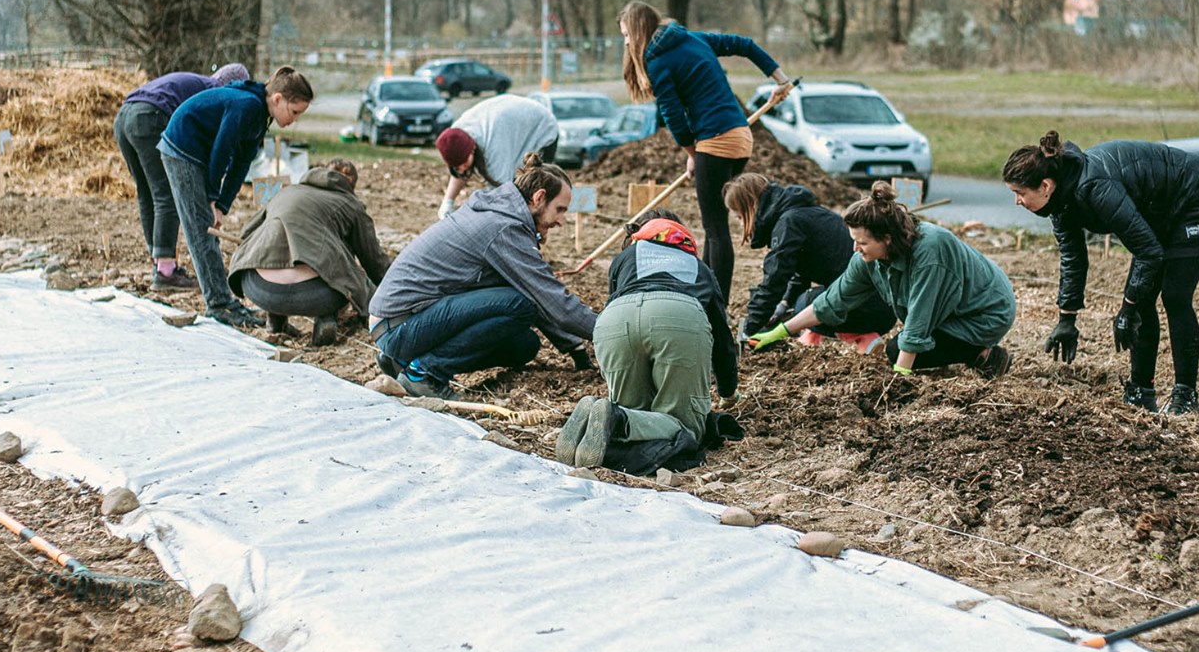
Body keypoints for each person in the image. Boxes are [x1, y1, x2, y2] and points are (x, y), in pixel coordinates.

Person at [1002, 130, 1199, 416]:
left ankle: (1186, 396)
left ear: (1045, 185)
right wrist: (1066, 319)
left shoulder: (1095, 189)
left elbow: (1148, 252)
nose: (1017, 202)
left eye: (1020, 193)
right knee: (1143, 299)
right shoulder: (1061, 203)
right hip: (1159, 211)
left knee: (1175, 295)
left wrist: (1127, 309)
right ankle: (1141, 392)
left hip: (1197, 196)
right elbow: (1073, 258)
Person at [368, 153, 596, 399]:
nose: (561, 220)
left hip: (401, 322)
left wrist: (575, 348)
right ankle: (422, 373)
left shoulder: (498, 212)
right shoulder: (504, 227)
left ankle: (403, 359)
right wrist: (611, 331)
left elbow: (538, 292)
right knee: (519, 305)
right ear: (539, 198)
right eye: (560, 210)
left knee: (524, 345)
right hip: (398, 325)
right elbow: (550, 299)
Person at [619, 0, 793, 304]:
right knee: (715, 224)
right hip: (740, 137)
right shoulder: (693, 38)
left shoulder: (657, 61)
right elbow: (746, 45)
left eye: (626, 35)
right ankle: (709, 298)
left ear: (638, 31)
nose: (625, 42)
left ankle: (715, 305)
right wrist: (781, 80)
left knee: (715, 229)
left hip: (714, 140)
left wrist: (691, 152)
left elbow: (673, 117)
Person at [747, 184, 1016, 378]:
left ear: (886, 238)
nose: (855, 248)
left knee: (897, 350)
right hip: (947, 311)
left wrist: (899, 379)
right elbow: (831, 301)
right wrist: (779, 331)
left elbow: (920, 321)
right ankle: (956, 351)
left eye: (861, 242)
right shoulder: (870, 258)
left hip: (983, 312)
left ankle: (984, 355)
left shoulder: (930, 250)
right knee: (900, 347)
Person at [557, 213, 738, 475]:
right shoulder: (698, 266)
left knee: (634, 412)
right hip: (677, 315)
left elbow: (619, 306)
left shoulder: (624, 258)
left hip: (614, 320)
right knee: (686, 429)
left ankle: (611, 416)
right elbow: (722, 338)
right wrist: (728, 390)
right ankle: (618, 421)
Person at [158, 66, 312, 328]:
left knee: (206, 224)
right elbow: (223, 148)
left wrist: (222, 204)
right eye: (294, 111)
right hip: (182, 147)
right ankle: (219, 304)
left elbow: (241, 162)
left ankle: (221, 300)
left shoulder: (261, 116)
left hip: (195, 151)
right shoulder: (247, 106)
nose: (294, 119)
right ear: (278, 99)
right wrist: (210, 195)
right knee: (201, 229)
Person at [114, 63, 249, 290]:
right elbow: (211, 151)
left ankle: (159, 262)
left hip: (124, 116)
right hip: (149, 116)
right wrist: (211, 196)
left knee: (147, 193)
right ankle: (166, 272)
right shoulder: (216, 95)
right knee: (167, 194)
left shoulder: (199, 85)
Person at [227, 159, 388, 346]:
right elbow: (373, 260)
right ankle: (325, 318)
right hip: (315, 297)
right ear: (350, 184)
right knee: (348, 276)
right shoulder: (351, 204)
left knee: (274, 252)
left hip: (258, 288)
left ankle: (275, 321)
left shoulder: (285, 193)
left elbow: (246, 233)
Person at [724, 173, 897, 341]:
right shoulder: (800, 212)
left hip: (870, 308)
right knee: (798, 305)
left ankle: (860, 336)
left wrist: (749, 330)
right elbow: (800, 273)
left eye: (740, 217)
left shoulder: (789, 223)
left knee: (803, 306)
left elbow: (775, 278)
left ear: (751, 207)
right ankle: (817, 335)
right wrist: (784, 303)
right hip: (881, 304)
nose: (741, 224)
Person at [434, 92, 562, 218]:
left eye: (464, 163)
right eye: (457, 167)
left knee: (529, 194)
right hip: (512, 126)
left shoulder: (493, 147)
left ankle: (532, 233)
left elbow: (502, 191)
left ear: (472, 149)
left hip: (542, 128)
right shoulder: (456, 135)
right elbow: (460, 168)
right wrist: (448, 201)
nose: (462, 169)